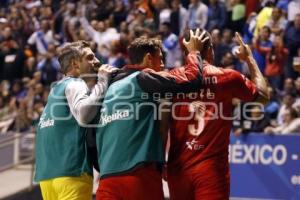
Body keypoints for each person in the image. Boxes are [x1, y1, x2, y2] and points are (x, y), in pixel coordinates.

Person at [95, 30, 208, 200]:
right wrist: (193, 52)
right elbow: (192, 80)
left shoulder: (109, 87)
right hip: (139, 175)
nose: (163, 65)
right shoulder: (143, 78)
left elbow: (90, 133)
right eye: (160, 59)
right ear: (148, 58)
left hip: (106, 178)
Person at [166, 30, 269, 199]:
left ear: (185, 51)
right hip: (211, 171)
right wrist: (249, 58)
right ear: (210, 49)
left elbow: (161, 125)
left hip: (178, 169)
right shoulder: (227, 77)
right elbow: (263, 97)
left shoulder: (171, 78)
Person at [35, 41, 115, 200]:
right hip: (72, 173)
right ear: (75, 64)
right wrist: (103, 81)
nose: (97, 61)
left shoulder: (55, 91)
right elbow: (84, 115)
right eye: (90, 57)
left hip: (47, 176)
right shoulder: (75, 83)